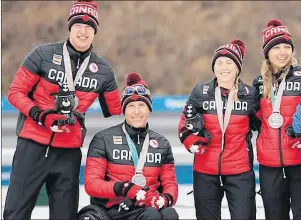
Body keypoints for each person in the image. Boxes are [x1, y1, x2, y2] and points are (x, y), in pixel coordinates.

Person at [3, 1, 122, 219]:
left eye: (89, 27)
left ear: (95, 31)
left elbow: (116, 110)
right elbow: (15, 92)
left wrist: (133, 90)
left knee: (64, 215)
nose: (83, 31)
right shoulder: (42, 54)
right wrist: (41, 115)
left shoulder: (103, 70)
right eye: (78, 25)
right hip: (32, 145)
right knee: (16, 212)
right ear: (70, 27)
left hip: (68, 152)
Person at [178, 39, 259, 220]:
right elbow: (184, 124)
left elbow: (263, 125)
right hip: (205, 171)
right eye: (219, 63)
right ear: (213, 68)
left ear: (237, 68)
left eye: (229, 62)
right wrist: (192, 142)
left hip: (240, 171)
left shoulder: (250, 94)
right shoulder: (200, 92)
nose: (224, 67)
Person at [84, 73, 179, 220]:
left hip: (148, 204)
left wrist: (166, 199)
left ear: (149, 109)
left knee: (170, 214)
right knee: (151, 215)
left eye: (142, 105)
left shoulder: (162, 143)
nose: (136, 111)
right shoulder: (103, 139)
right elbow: (92, 184)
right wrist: (124, 188)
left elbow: (170, 183)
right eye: (131, 106)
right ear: (124, 110)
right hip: (115, 208)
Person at [252, 19, 301, 220]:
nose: (282, 52)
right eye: (277, 47)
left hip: (298, 159)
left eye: (287, 47)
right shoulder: (258, 84)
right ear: (267, 53)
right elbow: (254, 121)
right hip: (270, 164)